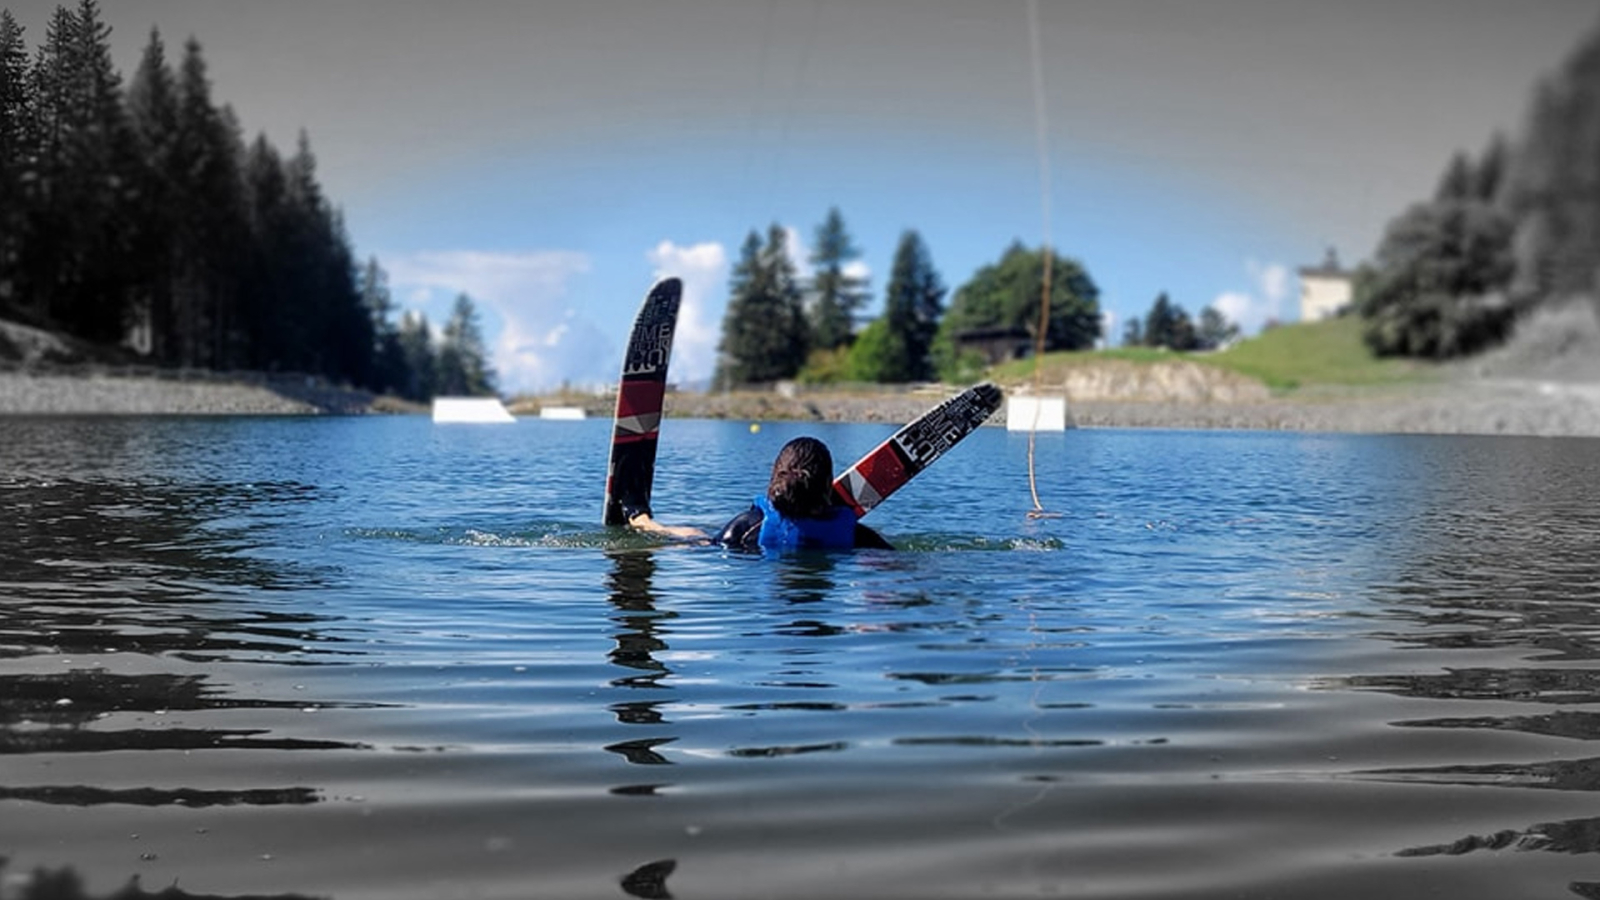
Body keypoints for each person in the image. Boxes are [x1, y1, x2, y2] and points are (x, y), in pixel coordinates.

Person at [629, 436, 891, 550]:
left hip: (745, 554)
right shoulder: (855, 535)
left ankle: (645, 522)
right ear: (826, 486)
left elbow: (710, 549)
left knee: (700, 538)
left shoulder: (747, 526)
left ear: (774, 476)